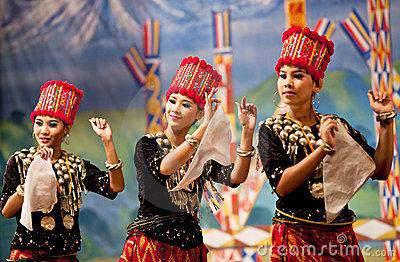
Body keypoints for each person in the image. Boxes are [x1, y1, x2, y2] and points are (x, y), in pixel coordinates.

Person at [258, 26, 395, 261]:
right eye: (283, 75)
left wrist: (385, 122)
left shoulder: (335, 126)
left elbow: (380, 171)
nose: (288, 82)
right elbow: (282, 186)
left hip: (339, 237)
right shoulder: (271, 130)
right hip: (295, 236)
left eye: (298, 75)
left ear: (317, 85)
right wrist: (323, 148)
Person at [119, 56, 257, 261]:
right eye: (172, 100)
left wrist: (247, 132)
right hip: (151, 245)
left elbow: (235, 178)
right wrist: (203, 129)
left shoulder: (201, 155)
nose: (175, 108)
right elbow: (165, 168)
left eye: (185, 104)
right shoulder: (147, 145)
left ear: (199, 113)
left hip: (189, 248)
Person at [0, 80, 125, 261]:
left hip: (65, 256)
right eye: (38, 123)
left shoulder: (74, 166)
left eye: (52, 124)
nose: (43, 131)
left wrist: (107, 142)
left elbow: (115, 187)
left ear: (66, 129)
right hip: (27, 255)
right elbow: (6, 211)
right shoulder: (20, 161)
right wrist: (30, 183)